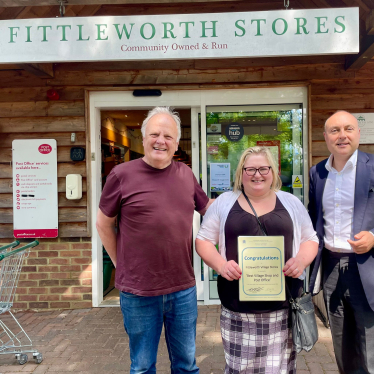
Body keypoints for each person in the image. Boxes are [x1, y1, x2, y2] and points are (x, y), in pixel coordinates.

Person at [96, 106, 212, 374]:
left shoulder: (185, 174)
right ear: (144, 137)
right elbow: (103, 224)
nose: (161, 141)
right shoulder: (121, 174)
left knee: (186, 365)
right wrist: (120, 263)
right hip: (138, 291)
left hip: (182, 288)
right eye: (155, 134)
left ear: (176, 143)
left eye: (168, 136)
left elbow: (209, 211)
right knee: (142, 366)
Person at [196, 146, 318, 374]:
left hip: (282, 307)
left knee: (280, 369)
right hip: (238, 308)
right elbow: (203, 240)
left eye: (263, 168)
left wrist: (301, 260)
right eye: (250, 169)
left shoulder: (290, 202)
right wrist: (221, 265)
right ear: (241, 173)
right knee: (239, 368)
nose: (257, 174)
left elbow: (311, 239)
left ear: (273, 172)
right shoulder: (224, 202)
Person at [308, 110, 374, 374]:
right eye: (334, 130)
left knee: (369, 346)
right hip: (331, 267)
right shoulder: (317, 173)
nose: (342, 135)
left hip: (366, 267)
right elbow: (313, 220)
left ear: (358, 133)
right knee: (342, 346)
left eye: (348, 129)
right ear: (325, 137)